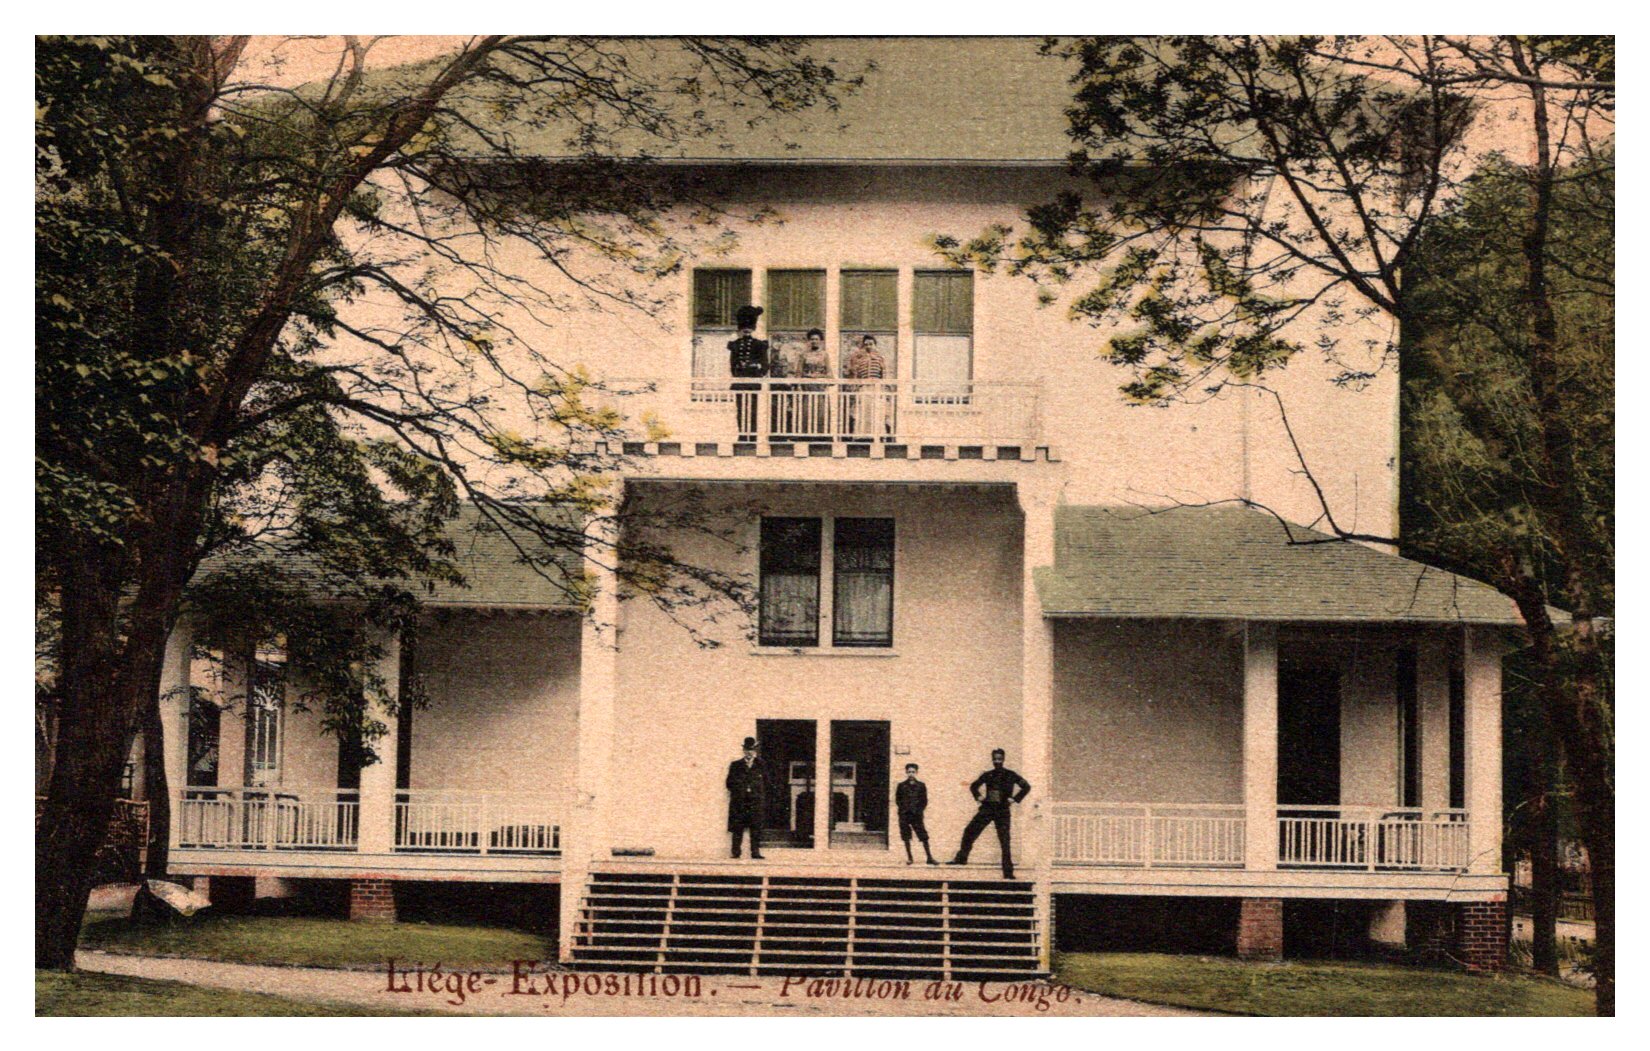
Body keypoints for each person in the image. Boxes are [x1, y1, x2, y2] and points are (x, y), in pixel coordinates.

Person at [947, 748, 1031, 879]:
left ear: (1003, 759)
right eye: (995, 759)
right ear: (992, 759)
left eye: (999, 759)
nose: (997, 761)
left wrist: (1014, 799)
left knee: (1004, 840)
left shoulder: (1011, 774)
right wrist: (979, 797)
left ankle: (1008, 872)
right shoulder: (987, 774)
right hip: (987, 808)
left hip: (1002, 810)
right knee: (969, 831)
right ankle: (961, 858)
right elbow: (973, 786)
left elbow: (1026, 787)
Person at [727, 306, 769, 441]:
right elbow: (732, 364)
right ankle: (742, 434)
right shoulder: (736, 344)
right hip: (740, 381)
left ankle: (753, 435)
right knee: (740, 409)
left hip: (753, 381)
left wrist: (757, 371)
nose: (746, 329)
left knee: (753, 409)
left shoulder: (759, 344)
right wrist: (738, 373)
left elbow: (765, 365)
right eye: (744, 326)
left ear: (752, 328)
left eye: (749, 326)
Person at [726, 736, 767, 859]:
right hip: (740, 802)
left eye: (752, 749)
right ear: (743, 750)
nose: (749, 752)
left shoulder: (761, 764)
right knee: (737, 827)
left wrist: (757, 793)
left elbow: (767, 782)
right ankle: (736, 852)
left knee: (755, 828)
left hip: (755, 802)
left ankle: (755, 852)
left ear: (755, 751)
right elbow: (729, 783)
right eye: (747, 749)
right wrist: (741, 790)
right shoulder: (736, 765)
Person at [841, 334, 887, 441]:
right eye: (866, 344)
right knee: (863, 411)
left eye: (871, 344)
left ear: (875, 345)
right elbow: (857, 375)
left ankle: (878, 435)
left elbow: (883, 374)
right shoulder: (860, 359)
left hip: (876, 387)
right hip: (864, 387)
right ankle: (862, 436)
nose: (868, 346)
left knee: (876, 411)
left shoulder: (880, 358)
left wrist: (882, 388)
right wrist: (857, 386)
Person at [895, 763, 937, 865]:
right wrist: (903, 809)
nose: (911, 774)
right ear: (906, 772)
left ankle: (929, 857)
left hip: (916, 815)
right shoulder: (901, 786)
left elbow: (924, 801)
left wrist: (919, 811)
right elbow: (898, 800)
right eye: (909, 772)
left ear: (916, 773)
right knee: (906, 836)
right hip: (904, 815)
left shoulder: (921, 786)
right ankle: (910, 858)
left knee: (923, 836)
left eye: (913, 772)